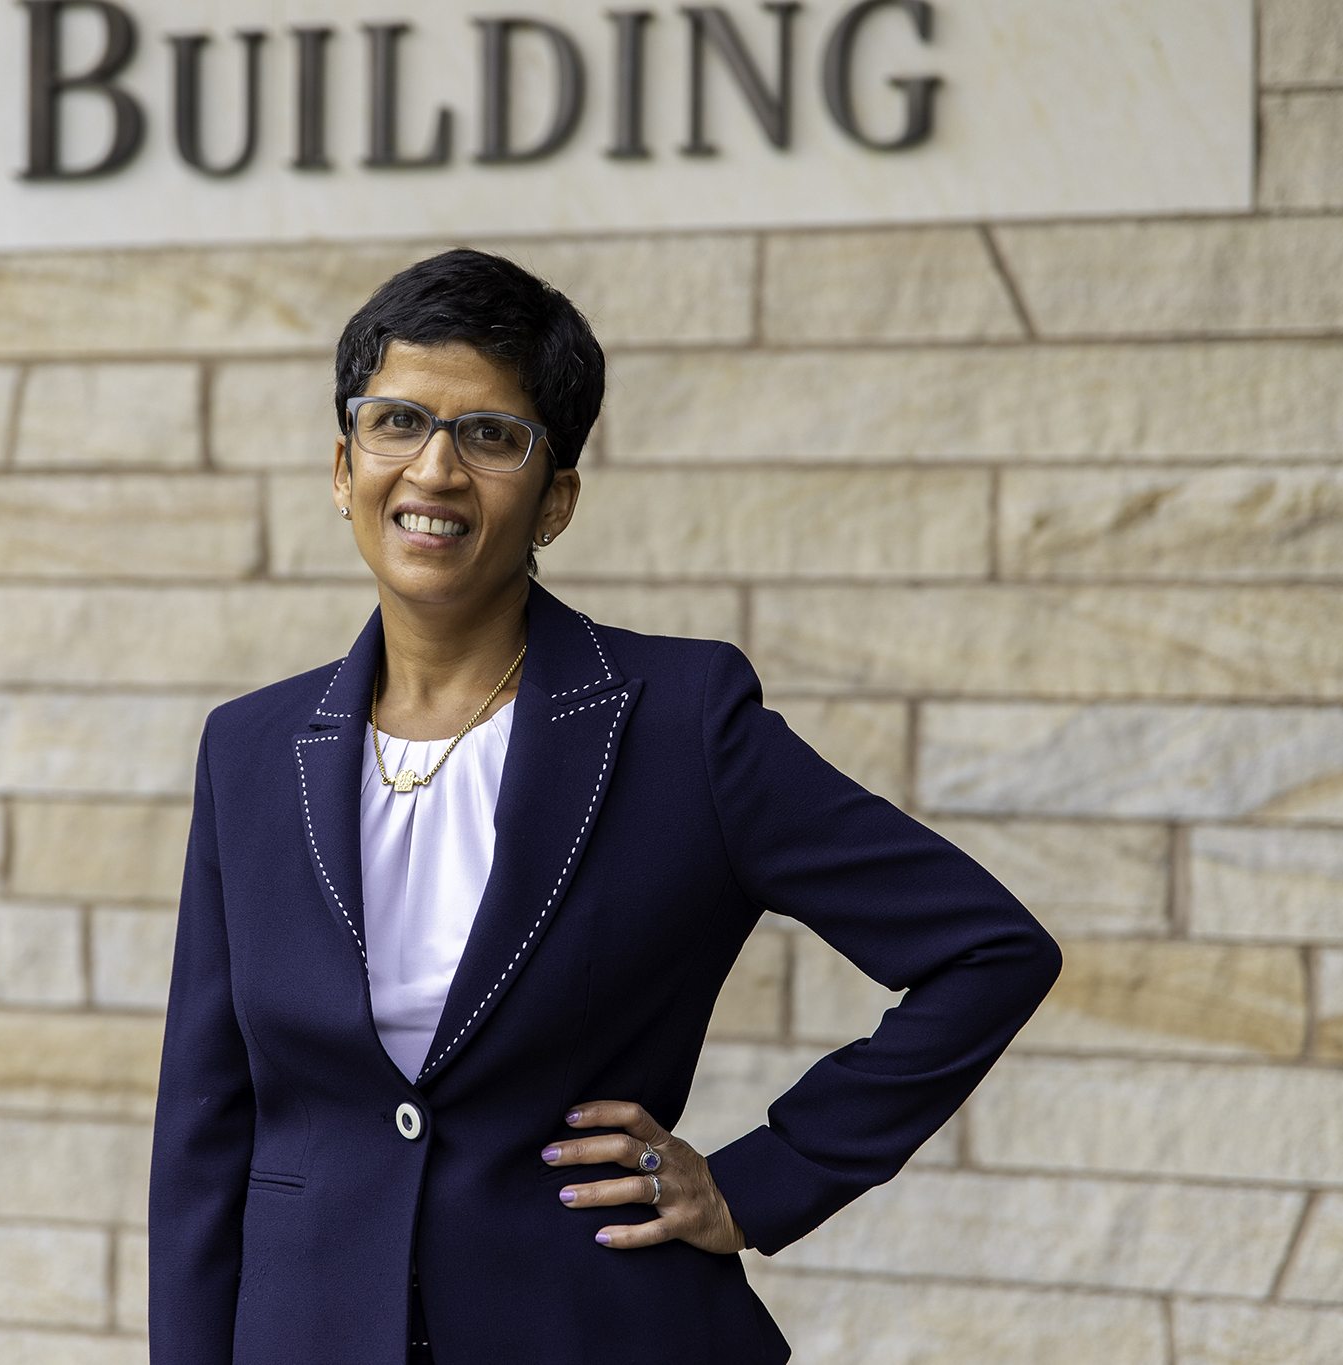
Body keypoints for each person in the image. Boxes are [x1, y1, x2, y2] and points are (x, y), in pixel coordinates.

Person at [147, 248, 1061, 1364]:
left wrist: (757, 1180)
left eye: (490, 437)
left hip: (590, 1327)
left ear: (555, 499)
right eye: (397, 422)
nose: (432, 470)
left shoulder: (682, 723)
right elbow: (205, 1126)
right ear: (344, 468)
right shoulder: (249, 749)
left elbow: (987, 950)